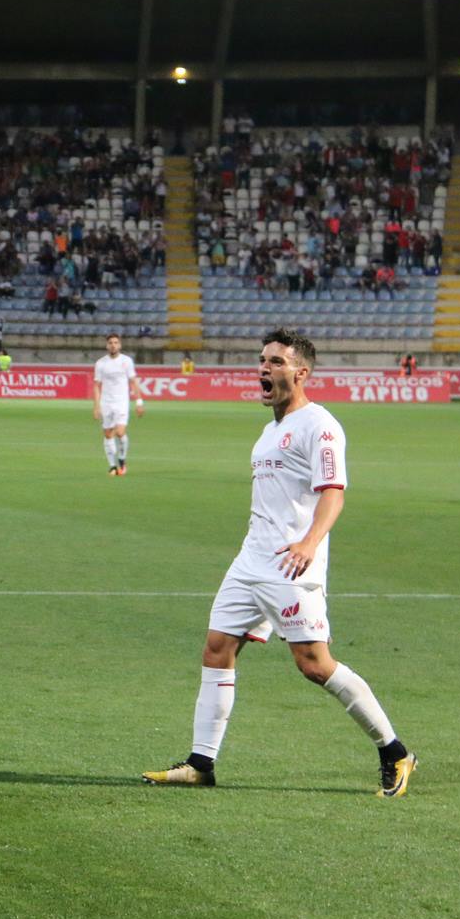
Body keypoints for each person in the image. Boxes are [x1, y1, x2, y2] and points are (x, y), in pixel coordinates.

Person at [144, 329, 416, 797]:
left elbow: (333, 492)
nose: (263, 368)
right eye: (262, 360)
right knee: (216, 648)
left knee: (314, 664)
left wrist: (310, 543)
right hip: (250, 562)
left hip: (292, 564)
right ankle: (200, 763)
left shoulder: (320, 425)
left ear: (301, 372)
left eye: (274, 361)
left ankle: (395, 751)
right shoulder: (269, 431)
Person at [93, 332, 143, 476]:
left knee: (120, 432)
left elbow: (133, 382)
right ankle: (112, 466)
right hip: (106, 403)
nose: (113, 345)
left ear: (119, 345)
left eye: (116, 342)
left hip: (121, 402)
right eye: (110, 343)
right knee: (108, 435)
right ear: (107, 345)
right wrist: (96, 406)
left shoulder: (126, 361)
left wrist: (139, 402)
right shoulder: (101, 363)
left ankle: (121, 459)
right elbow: (97, 385)